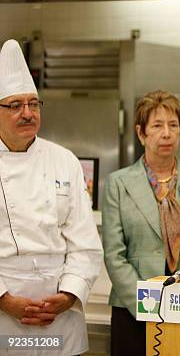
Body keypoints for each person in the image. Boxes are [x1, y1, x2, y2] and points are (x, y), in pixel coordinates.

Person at [0, 39, 103, 355]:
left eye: (33, 104)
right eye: (15, 105)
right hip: (4, 313)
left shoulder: (64, 160)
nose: (27, 113)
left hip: (58, 314)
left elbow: (85, 242)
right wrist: (6, 301)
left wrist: (68, 295)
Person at [102, 90, 180, 356]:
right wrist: (146, 303)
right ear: (141, 132)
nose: (166, 134)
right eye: (157, 126)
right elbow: (114, 255)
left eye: (173, 125)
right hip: (131, 308)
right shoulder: (118, 183)